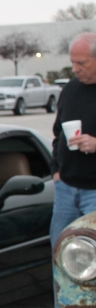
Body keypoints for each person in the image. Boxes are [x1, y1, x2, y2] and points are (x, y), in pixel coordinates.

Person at [50, 32, 96, 245]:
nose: (75, 69)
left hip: (94, 192)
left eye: (82, 63)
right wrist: (56, 171)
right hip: (65, 188)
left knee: (90, 256)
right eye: (72, 63)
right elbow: (58, 133)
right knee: (60, 252)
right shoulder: (70, 89)